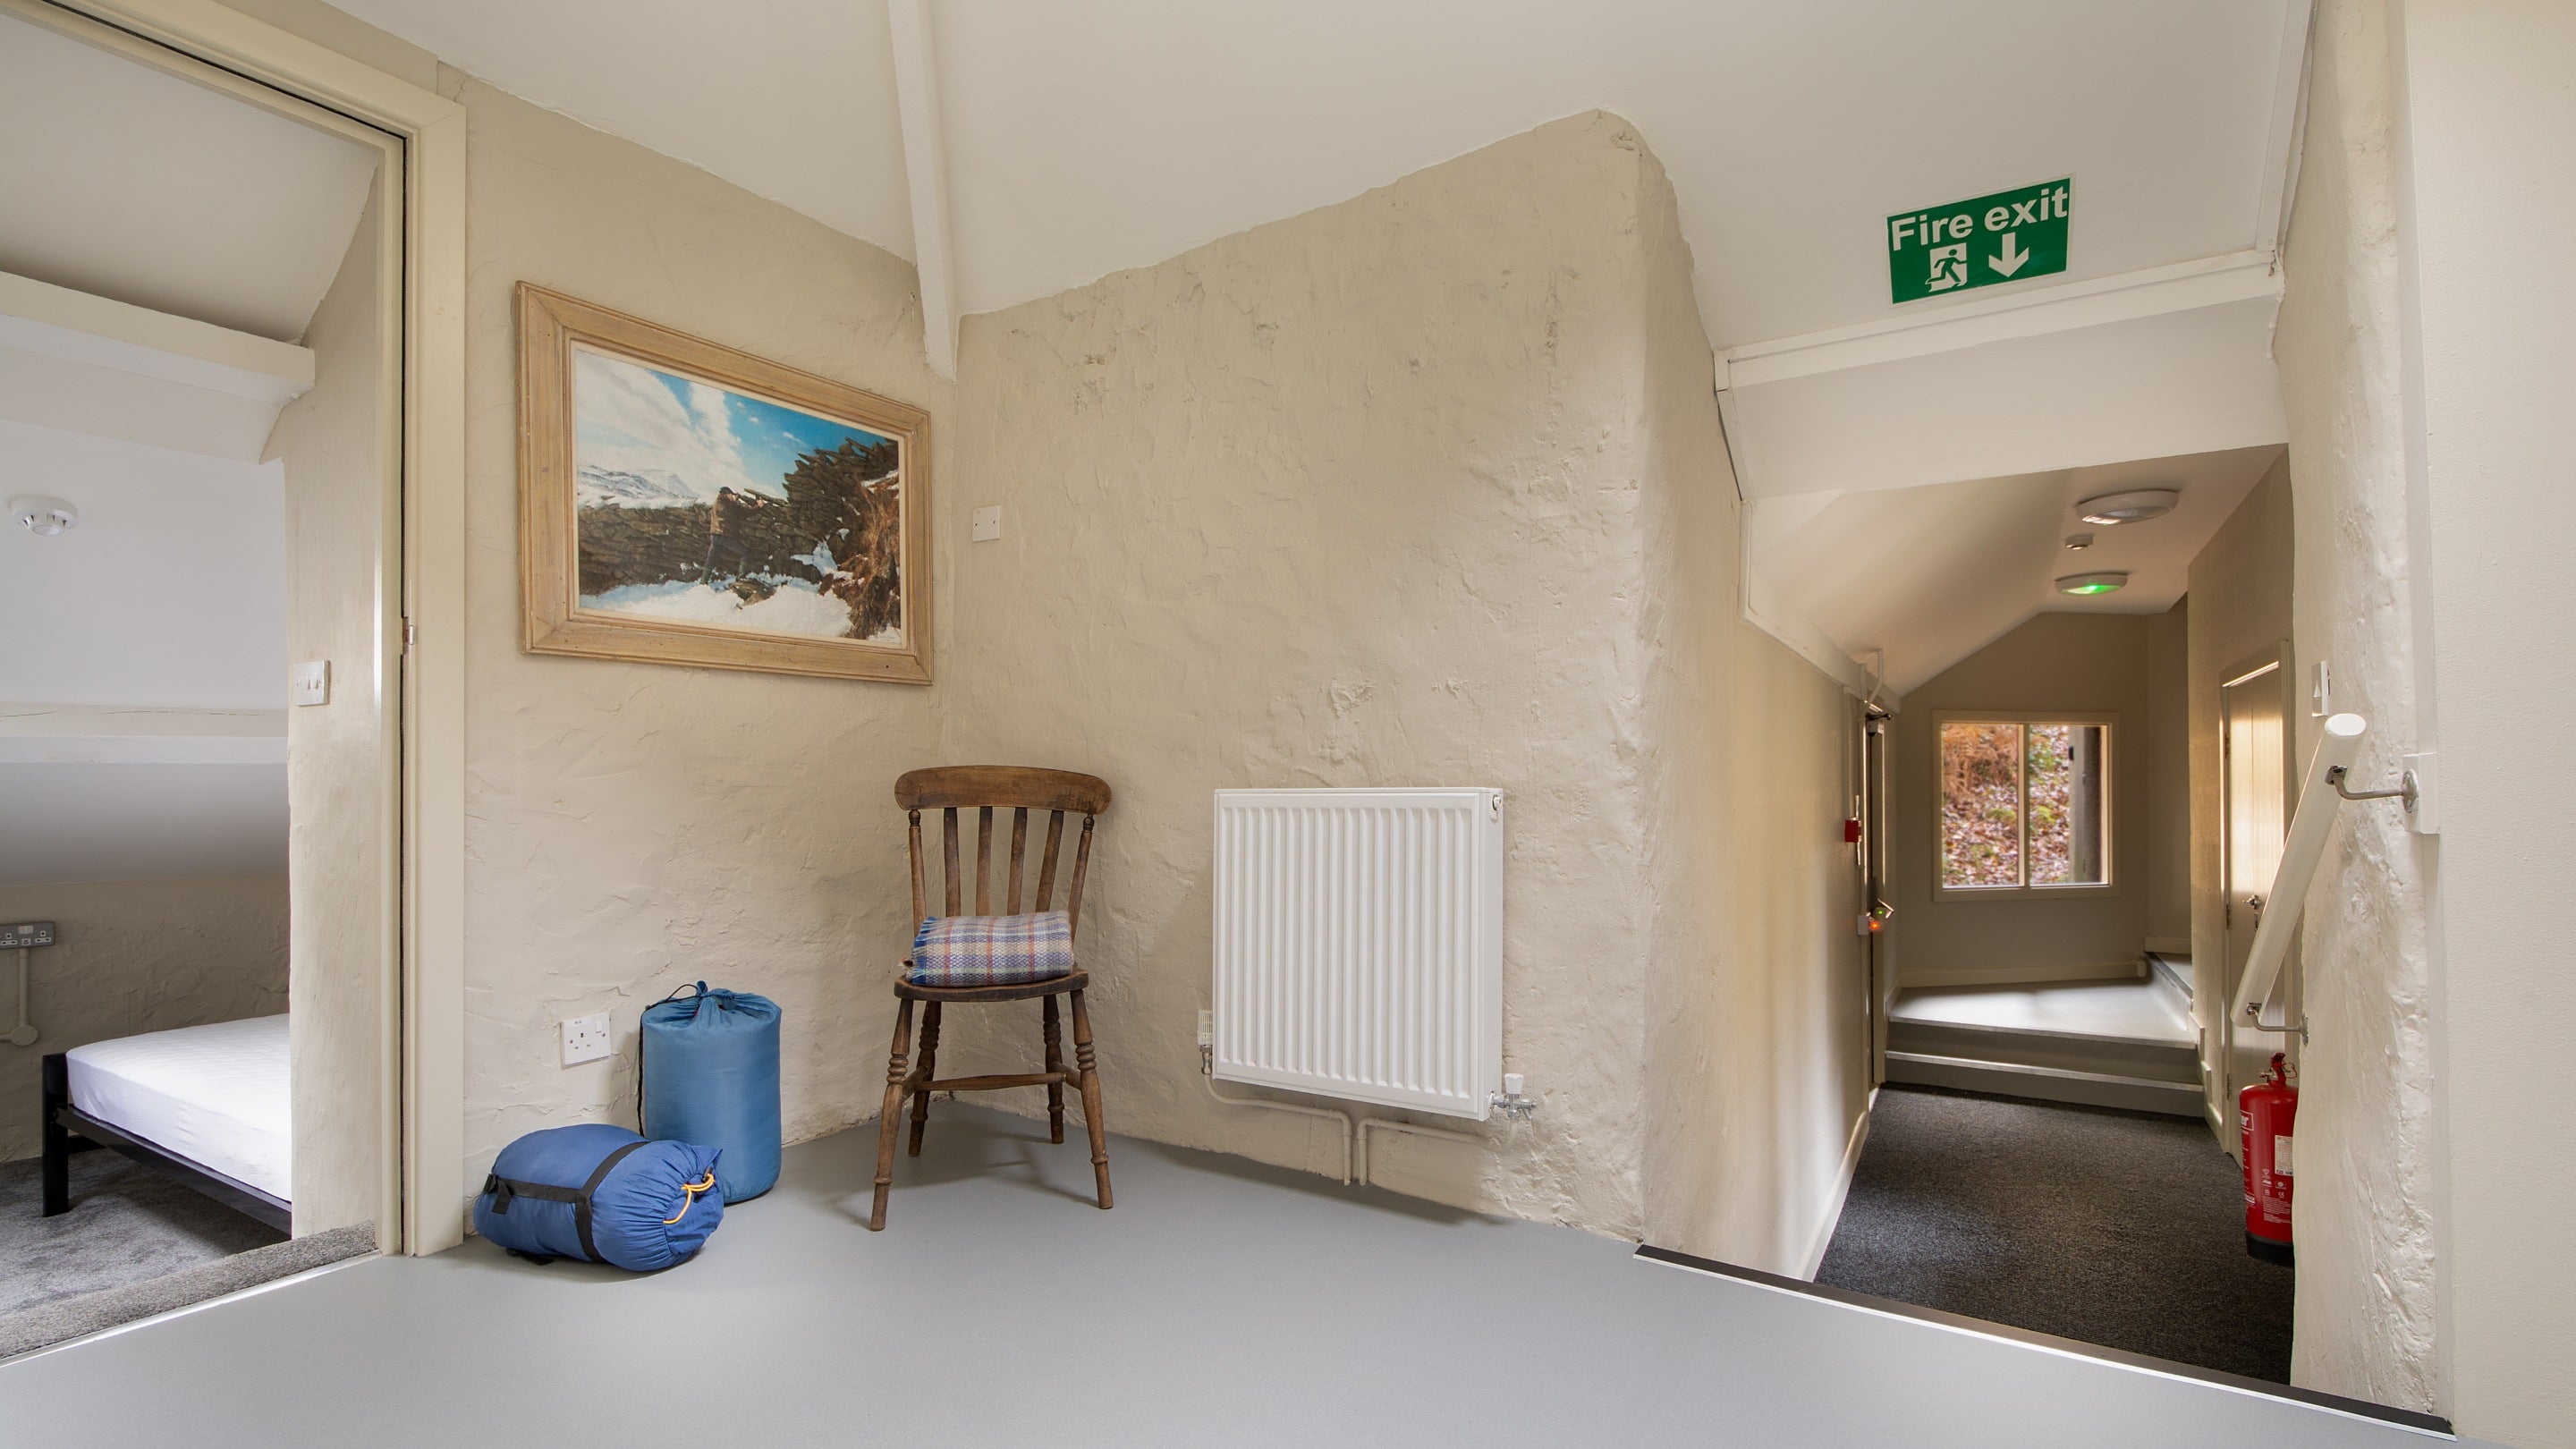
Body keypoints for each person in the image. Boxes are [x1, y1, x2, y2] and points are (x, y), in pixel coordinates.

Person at [703, 486, 769, 588]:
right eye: (731, 495)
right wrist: (759, 506)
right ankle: (741, 577)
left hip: (714, 536)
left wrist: (734, 502)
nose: (732, 496)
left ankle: (703, 582)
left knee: (711, 559)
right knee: (745, 552)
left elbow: (728, 510)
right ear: (726, 494)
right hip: (725, 536)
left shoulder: (717, 503)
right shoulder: (729, 506)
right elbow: (744, 512)